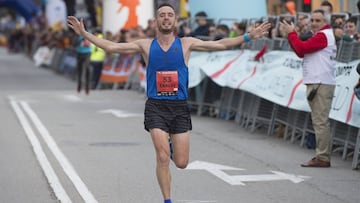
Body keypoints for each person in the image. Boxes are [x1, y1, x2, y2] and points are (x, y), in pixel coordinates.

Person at [67, 3, 270, 202]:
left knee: (181, 162)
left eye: (169, 15)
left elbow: (218, 44)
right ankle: (167, 199)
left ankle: (172, 145)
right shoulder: (145, 45)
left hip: (179, 106)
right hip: (156, 105)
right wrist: (85, 34)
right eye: (162, 15)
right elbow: (112, 46)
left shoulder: (186, 43)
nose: (166, 18)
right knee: (162, 157)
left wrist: (247, 36)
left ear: (175, 20)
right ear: (156, 21)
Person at [281, 9, 336, 167]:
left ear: (325, 22)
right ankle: (322, 155)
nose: (313, 23)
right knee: (319, 121)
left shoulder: (323, 35)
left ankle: (323, 157)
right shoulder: (322, 35)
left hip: (320, 83)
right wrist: (292, 35)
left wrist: (291, 34)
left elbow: (301, 49)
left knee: (320, 121)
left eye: (317, 20)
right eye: (312, 20)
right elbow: (301, 51)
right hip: (319, 82)